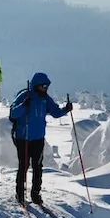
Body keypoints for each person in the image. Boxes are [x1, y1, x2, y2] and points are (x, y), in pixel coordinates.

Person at [9, 72, 72, 205]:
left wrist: (66, 110)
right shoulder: (25, 96)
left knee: (37, 166)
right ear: (36, 85)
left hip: (38, 138)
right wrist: (24, 105)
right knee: (24, 166)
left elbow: (55, 112)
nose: (45, 88)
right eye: (43, 85)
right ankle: (20, 194)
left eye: (47, 86)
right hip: (23, 137)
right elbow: (13, 114)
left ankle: (35, 194)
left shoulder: (45, 99)